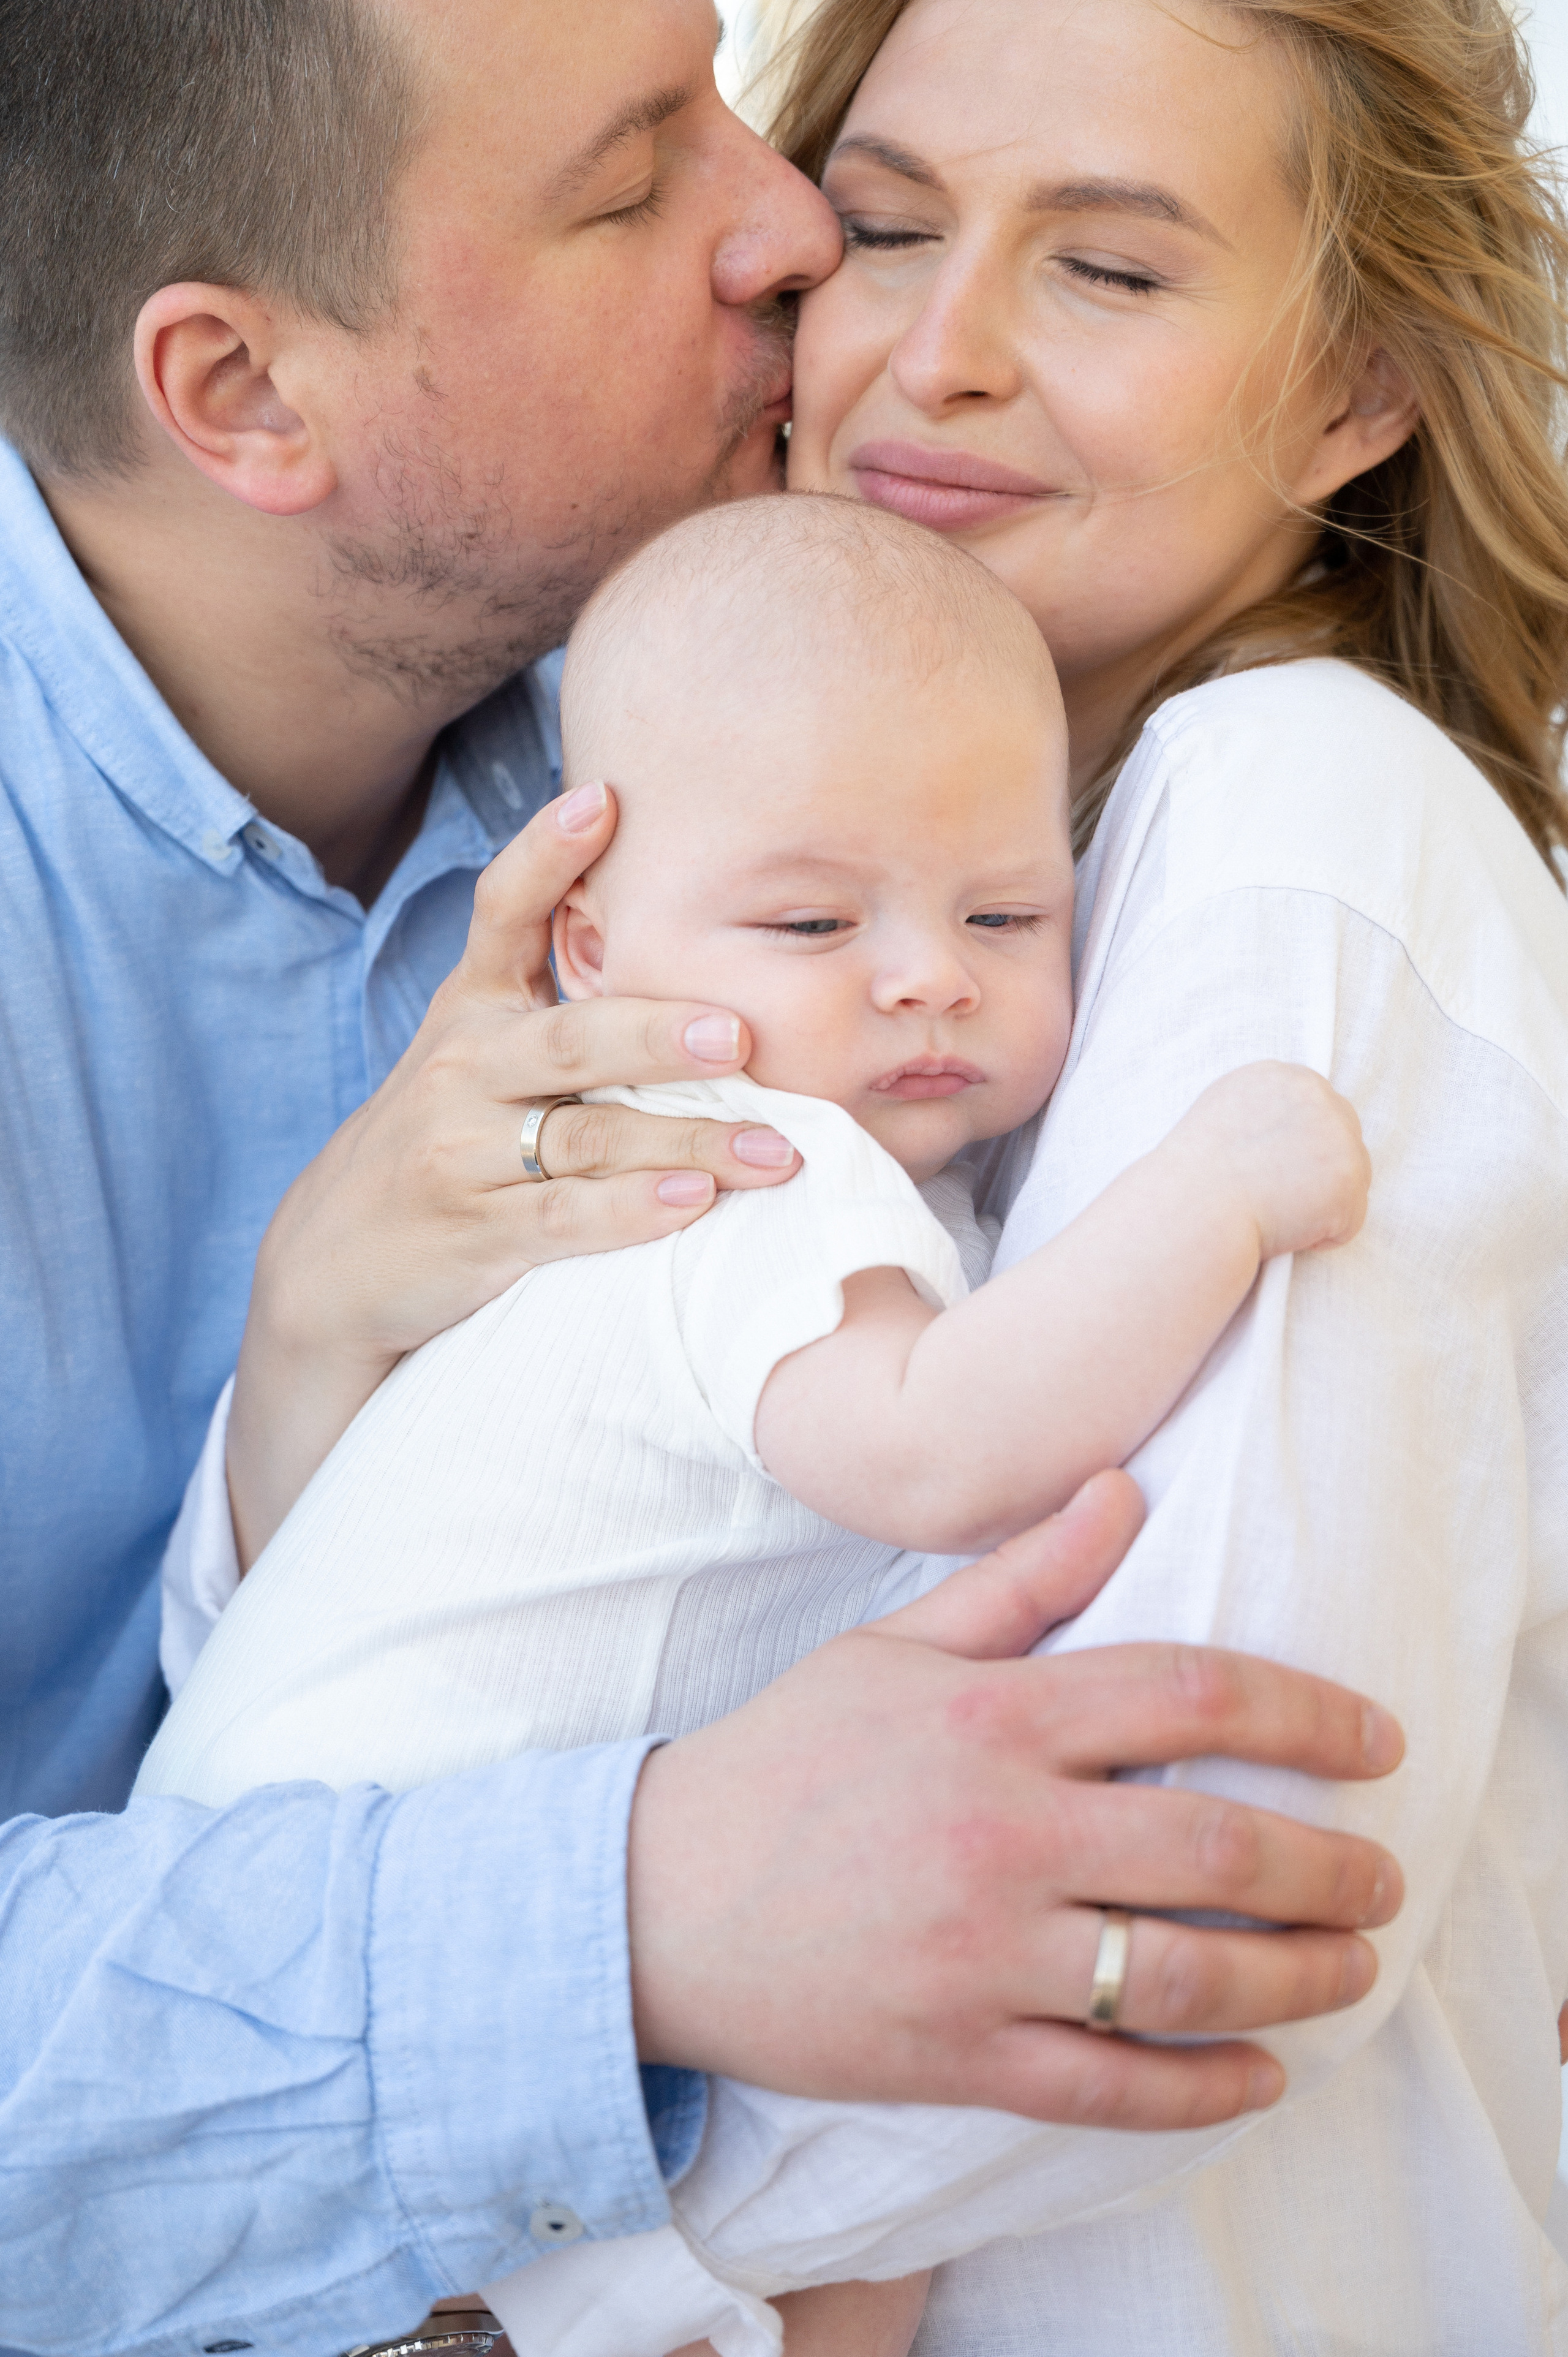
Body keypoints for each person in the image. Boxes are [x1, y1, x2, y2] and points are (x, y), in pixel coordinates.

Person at [0, 6, 1406, 2355]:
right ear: (241, 393)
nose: (794, 228)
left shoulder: (750, 726)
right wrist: (631, 1907)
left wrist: (308, 1364)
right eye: (636, 175)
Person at [450, 0, 1567, 2349]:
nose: (937, 353)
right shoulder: (811, 903)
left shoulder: (1294, 812)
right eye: (883, 231)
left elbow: (1183, 1905)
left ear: (1358, 392)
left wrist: (483, 2268)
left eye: (1112, 269)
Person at [138, 491, 1371, 2356]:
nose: (928, 972)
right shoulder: (748, 1163)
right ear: (592, 952)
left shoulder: (789, 1184)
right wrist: (1220, 1189)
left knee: (863, 2221)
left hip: (377, 1972)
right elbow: (939, 1451)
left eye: (1007, 911)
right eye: (811, 919)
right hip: (357, 1985)